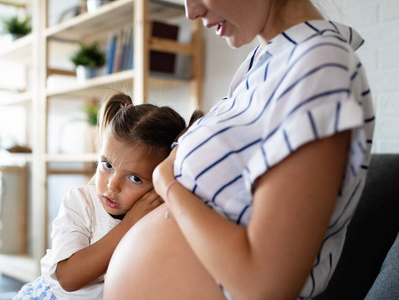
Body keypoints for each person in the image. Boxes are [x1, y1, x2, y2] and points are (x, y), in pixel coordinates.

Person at [103, 0, 375, 299]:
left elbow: (262, 286)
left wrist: (167, 184)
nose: (190, 12)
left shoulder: (318, 66)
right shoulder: (263, 63)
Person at [14, 92, 198, 299]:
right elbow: (68, 278)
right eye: (107, 165)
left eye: (135, 178)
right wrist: (128, 225)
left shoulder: (158, 215)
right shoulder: (81, 203)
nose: (112, 185)